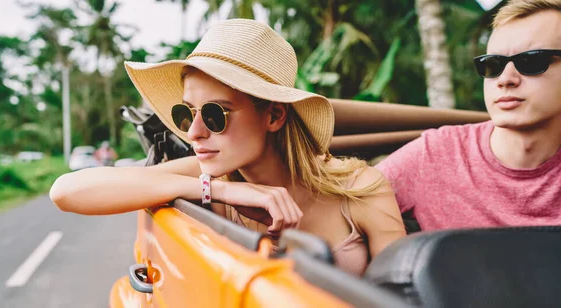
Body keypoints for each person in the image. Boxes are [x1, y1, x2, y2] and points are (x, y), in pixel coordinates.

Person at [49, 19, 405, 276]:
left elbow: (404, 295)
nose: (195, 133)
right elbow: (66, 191)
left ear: (275, 115)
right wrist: (216, 190)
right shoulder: (214, 179)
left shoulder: (360, 188)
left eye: (216, 114)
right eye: (186, 113)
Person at [376, 0, 561, 231]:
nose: (505, 79)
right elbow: (343, 204)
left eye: (532, 60)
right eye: (493, 65)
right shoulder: (436, 156)